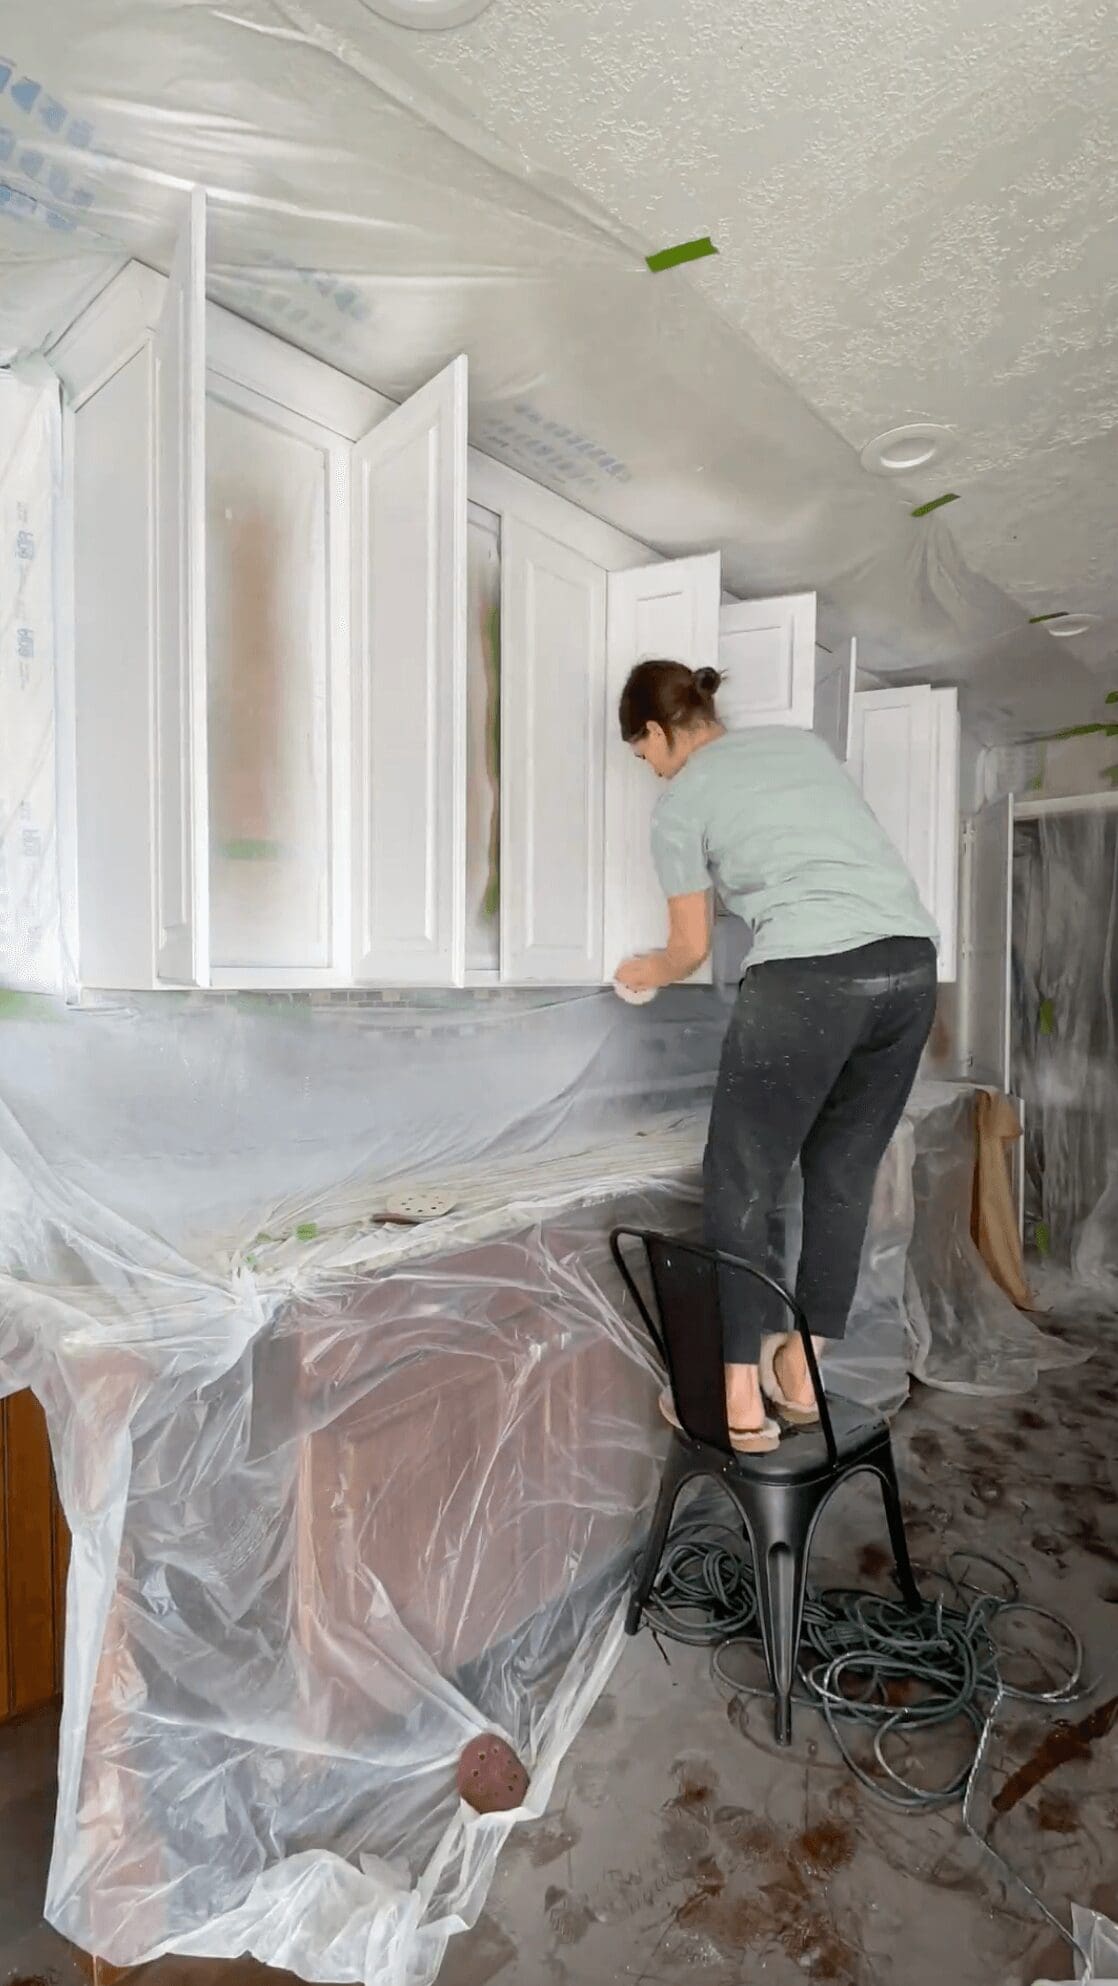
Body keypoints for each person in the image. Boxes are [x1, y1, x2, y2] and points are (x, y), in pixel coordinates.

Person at [615, 660, 938, 1453]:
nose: (650, 768)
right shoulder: (803, 747)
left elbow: (689, 948)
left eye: (642, 752)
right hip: (910, 969)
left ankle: (736, 1400)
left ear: (657, 730)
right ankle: (800, 1372)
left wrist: (644, 971)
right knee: (842, 1174)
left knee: (741, 1179)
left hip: (807, 979)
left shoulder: (680, 803)